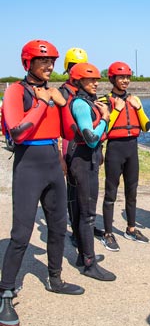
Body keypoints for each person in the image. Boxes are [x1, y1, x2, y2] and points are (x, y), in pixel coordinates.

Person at [0, 40, 84, 326]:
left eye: (51, 62)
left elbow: (69, 131)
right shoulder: (15, 91)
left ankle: (55, 278)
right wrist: (43, 102)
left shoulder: (54, 92)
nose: (49, 66)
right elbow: (18, 132)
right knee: (21, 234)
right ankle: (6, 292)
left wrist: (73, 106)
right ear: (28, 63)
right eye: (42, 61)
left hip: (51, 163)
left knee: (59, 227)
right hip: (28, 165)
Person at [67, 62, 116, 281]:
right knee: (87, 214)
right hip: (84, 161)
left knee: (83, 211)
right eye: (90, 80)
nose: (96, 83)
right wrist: (105, 117)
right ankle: (89, 263)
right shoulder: (81, 104)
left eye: (97, 79)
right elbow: (90, 137)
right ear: (78, 81)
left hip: (88, 160)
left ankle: (83, 255)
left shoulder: (88, 101)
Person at [100, 62, 150, 252]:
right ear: (112, 79)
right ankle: (107, 234)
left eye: (128, 77)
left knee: (132, 192)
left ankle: (131, 229)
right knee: (110, 193)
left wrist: (137, 108)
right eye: (121, 77)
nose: (125, 81)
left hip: (132, 149)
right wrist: (117, 110)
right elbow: (104, 129)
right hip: (114, 149)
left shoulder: (134, 99)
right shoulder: (105, 100)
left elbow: (145, 126)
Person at [59, 47, 103, 249]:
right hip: (71, 145)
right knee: (73, 193)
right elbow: (58, 127)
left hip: (87, 148)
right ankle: (77, 232)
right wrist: (60, 155)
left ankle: (84, 229)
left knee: (85, 198)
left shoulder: (87, 95)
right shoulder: (63, 93)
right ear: (69, 69)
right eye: (74, 66)